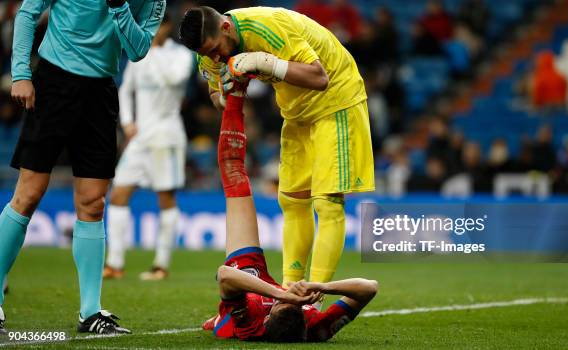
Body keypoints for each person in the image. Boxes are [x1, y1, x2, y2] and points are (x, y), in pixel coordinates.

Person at [179, 5, 375, 297]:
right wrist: (227, 93)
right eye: (208, 54)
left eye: (216, 50)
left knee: (327, 203)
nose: (215, 57)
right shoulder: (207, 48)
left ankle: (313, 298)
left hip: (336, 100)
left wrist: (263, 61)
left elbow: (319, 78)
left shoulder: (266, 27)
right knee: (293, 202)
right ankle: (290, 291)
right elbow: (216, 97)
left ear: (225, 28)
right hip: (295, 111)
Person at [2, 0, 165, 334]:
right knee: (28, 194)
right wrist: (20, 72)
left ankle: (90, 313)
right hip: (53, 82)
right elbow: (28, 13)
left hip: (101, 91)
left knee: (93, 203)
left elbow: (137, 51)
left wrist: (120, 7)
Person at [203, 79, 378, 342]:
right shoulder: (316, 329)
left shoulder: (250, 324)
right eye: (298, 306)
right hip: (265, 289)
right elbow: (369, 288)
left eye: (287, 304)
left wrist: (281, 294)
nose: (293, 300)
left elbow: (225, 275)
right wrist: (320, 287)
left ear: (268, 316)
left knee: (233, 171)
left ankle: (235, 96)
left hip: (248, 280)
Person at [103, 13, 193, 281]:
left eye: (158, 26)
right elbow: (125, 88)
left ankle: (161, 265)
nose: (153, 31)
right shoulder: (138, 54)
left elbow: (174, 80)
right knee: (118, 193)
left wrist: (152, 51)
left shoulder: (181, 56)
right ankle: (115, 263)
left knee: (165, 198)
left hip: (166, 136)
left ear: (167, 27)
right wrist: (128, 122)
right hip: (140, 137)